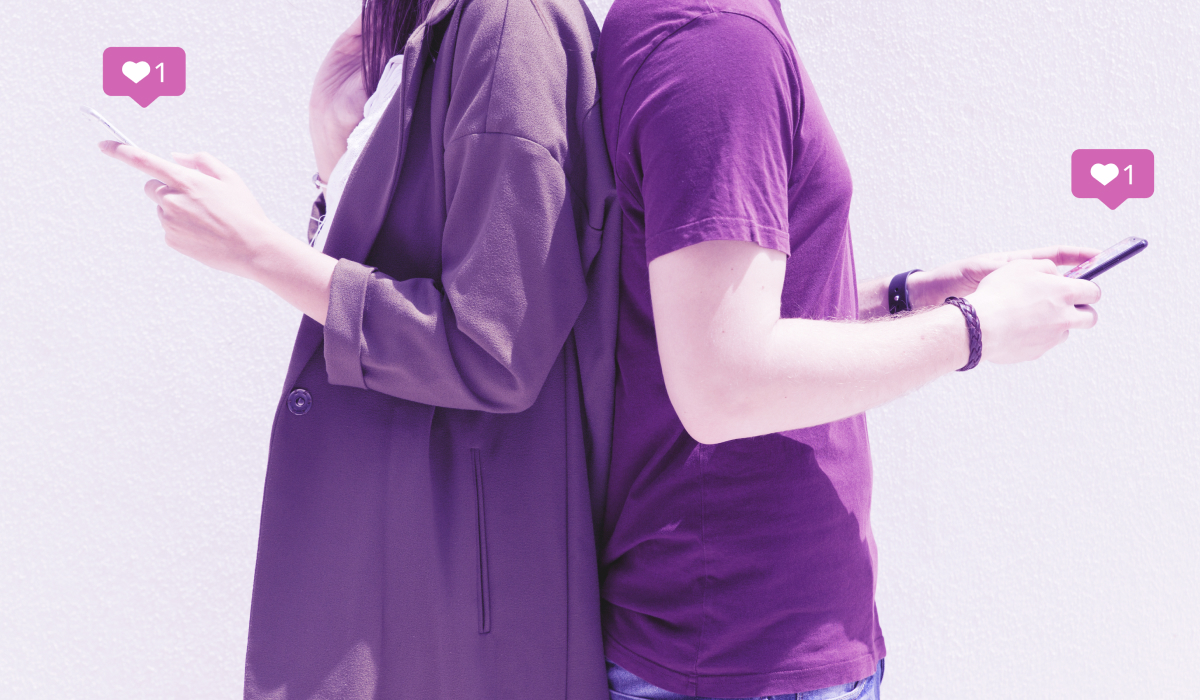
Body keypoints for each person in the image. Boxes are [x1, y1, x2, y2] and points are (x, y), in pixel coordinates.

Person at [99, 0, 620, 697]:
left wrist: (258, 251)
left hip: (457, 591)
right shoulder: (444, 29)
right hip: (410, 566)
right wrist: (333, 151)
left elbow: (494, 347)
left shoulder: (507, 26)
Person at [594, 0, 1102, 698]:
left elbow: (721, 309)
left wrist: (913, 293)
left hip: (753, 641)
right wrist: (975, 328)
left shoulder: (709, 29)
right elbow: (723, 381)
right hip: (744, 651)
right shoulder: (718, 42)